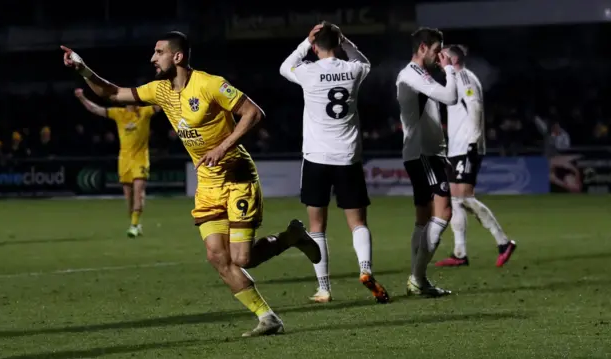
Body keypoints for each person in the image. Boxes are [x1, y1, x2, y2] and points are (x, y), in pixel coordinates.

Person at [61, 31, 321, 337]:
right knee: (216, 257)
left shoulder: (210, 84)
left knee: (243, 258)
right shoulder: (159, 90)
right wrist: (81, 68)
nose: (152, 58)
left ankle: (292, 237)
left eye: (158, 52)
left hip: (236, 175)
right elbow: (112, 93)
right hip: (208, 183)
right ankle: (267, 317)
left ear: (178, 56)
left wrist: (223, 146)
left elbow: (253, 112)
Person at [279, 23, 389, 304]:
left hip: (317, 157)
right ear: (339, 44)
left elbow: (285, 66)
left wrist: (306, 42)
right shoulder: (353, 70)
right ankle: (365, 270)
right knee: (358, 223)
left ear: (315, 47)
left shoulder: (307, 72)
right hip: (348, 156)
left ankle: (324, 288)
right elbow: (363, 61)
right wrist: (345, 41)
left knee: (317, 226)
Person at [435, 45, 517, 268]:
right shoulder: (454, 80)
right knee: (455, 201)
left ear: (452, 59)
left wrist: (472, 143)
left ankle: (503, 242)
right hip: (456, 149)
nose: (438, 60)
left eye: (442, 57)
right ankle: (459, 254)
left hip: (466, 148)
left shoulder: (464, 78)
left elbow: (475, 108)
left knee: (465, 198)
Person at [395, 27, 456, 297]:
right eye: (436, 50)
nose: (439, 55)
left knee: (423, 219)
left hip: (426, 153)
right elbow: (451, 97)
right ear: (422, 47)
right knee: (444, 213)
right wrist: (450, 71)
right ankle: (418, 278)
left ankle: (417, 279)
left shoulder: (417, 75)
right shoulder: (412, 74)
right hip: (423, 154)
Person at [75, 88, 160, 237]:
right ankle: (136, 223)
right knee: (129, 197)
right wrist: (82, 98)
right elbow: (96, 109)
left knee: (138, 193)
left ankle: (133, 225)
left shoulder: (144, 112)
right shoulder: (118, 114)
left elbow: (162, 105)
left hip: (140, 158)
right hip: (124, 160)